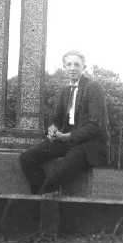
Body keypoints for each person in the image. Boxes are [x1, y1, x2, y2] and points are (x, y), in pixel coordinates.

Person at [19, 50, 108, 194]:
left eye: (77, 64)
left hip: (88, 145)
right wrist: (52, 130)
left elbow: (95, 125)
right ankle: (41, 197)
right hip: (67, 141)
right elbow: (56, 119)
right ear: (64, 67)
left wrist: (67, 136)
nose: (72, 67)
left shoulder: (93, 88)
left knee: (57, 176)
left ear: (84, 67)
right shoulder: (65, 90)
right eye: (69, 64)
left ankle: (41, 199)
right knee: (27, 158)